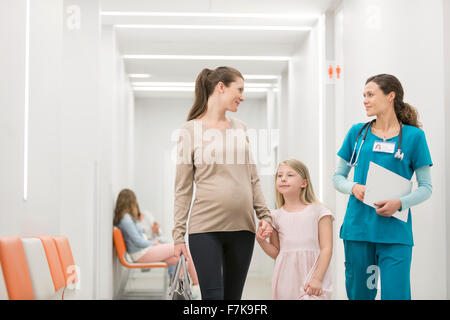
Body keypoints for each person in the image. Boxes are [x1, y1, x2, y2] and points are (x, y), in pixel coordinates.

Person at [172, 66, 274, 300]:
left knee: (233, 299)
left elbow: (252, 178)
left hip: (243, 228)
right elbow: (183, 189)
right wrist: (178, 236)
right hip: (205, 229)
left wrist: (265, 216)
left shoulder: (241, 128)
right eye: (239, 89)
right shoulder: (189, 131)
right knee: (213, 297)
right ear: (221, 87)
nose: (242, 96)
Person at [333, 74, 433, 300]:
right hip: (358, 228)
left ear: (391, 96)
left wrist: (400, 203)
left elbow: (426, 187)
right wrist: (353, 187)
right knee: (361, 295)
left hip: (395, 232)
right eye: (364, 95)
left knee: (396, 295)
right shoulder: (358, 133)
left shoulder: (414, 137)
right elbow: (338, 177)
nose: (365, 100)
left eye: (370, 94)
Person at [256, 159, 334, 300]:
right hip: (285, 278)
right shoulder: (274, 216)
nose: (283, 179)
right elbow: (277, 252)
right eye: (279, 176)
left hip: (313, 275)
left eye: (290, 175)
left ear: (304, 183)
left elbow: (326, 249)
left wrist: (317, 278)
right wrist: (261, 241)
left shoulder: (320, 212)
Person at [113, 189, 199, 293]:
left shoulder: (127, 218)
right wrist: (154, 243)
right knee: (182, 250)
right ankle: (196, 284)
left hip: (143, 251)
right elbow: (137, 241)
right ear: (130, 202)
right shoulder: (126, 219)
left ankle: (179, 289)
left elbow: (138, 240)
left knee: (182, 260)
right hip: (141, 253)